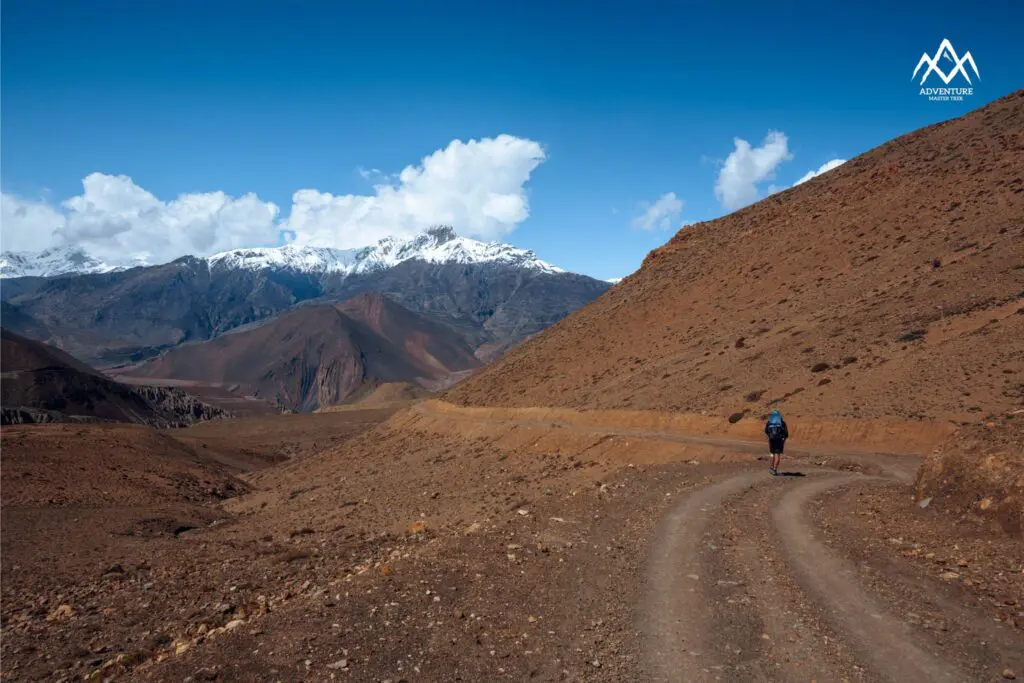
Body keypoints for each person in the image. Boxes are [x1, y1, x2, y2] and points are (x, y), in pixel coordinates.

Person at [764, 410, 789, 476]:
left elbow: (766, 431)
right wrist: (783, 440)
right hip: (779, 441)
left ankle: (771, 468)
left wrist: (770, 437)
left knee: (772, 454)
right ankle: (774, 470)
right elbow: (786, 434)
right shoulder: (782, 423)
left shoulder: (769, 422)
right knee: (777, 455)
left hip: (771, 441)